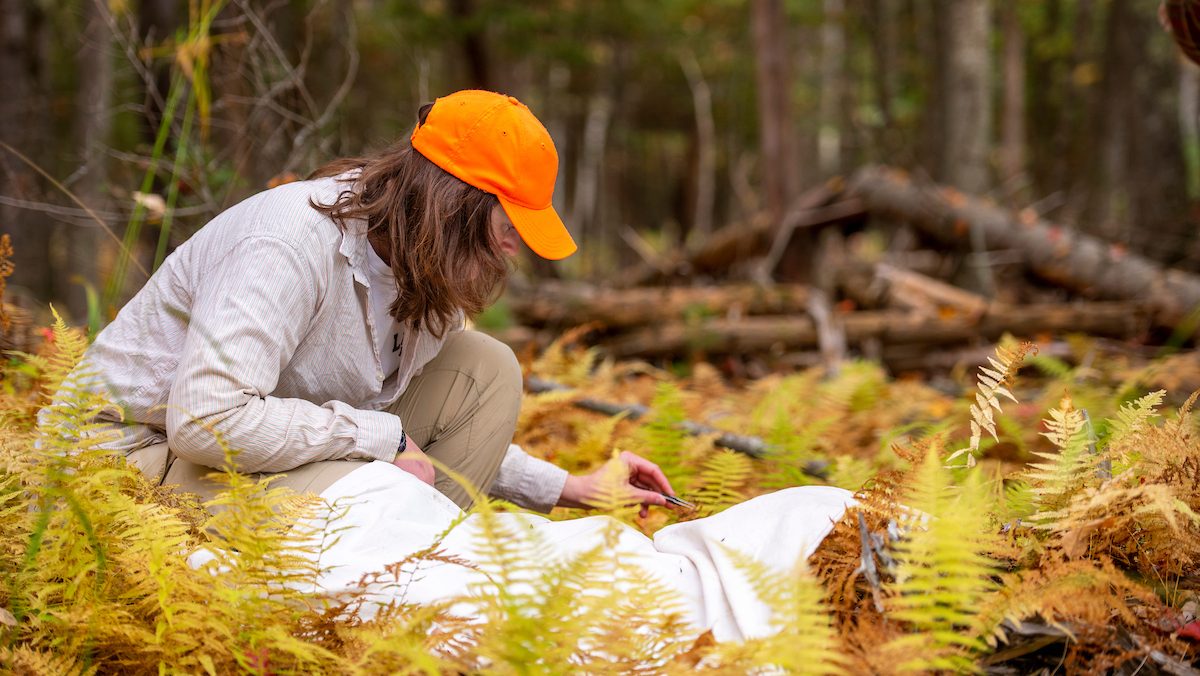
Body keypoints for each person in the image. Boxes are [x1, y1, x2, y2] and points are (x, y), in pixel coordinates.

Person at [53, 90, 675, 515]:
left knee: (485, 368)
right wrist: (381, 438)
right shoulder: (290, 239)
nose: (514, 249)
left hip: (262, 441)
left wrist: (575, 488)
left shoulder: (426, 268)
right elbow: (205, 421)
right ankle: (386, 584)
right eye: (509, 222)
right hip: (128, 454)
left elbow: (395, 432)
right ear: (452, 200)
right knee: (378, 502)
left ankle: (401, 593)